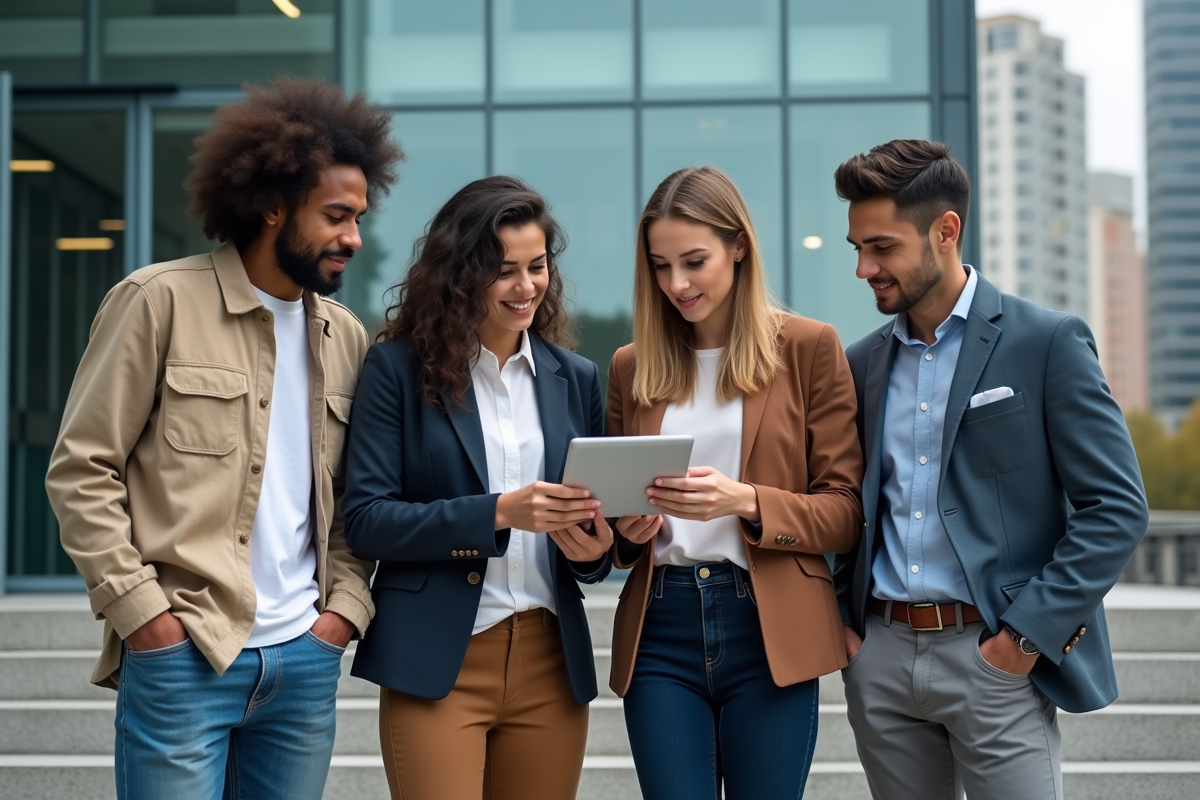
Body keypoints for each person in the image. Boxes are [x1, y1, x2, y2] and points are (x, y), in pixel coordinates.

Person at [44, 78, 403, 799]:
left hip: (303, 661)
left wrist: (342, 614)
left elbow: (351, 495)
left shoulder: (346, 337)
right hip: (185, 652)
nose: (354, 238)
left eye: (359, 218)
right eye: (336, 216)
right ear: (272, 205)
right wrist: (144, 615)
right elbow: (82, 470)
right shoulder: (158, 302)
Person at [832, 139, 1150, 800]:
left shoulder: (1046, 342)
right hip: (881, 660)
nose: (864, 267)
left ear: (945, 232)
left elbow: (1117, 507)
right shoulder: (860, 362)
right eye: (856, 248)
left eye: (882, 247)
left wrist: (1022, 642)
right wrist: (849, 632)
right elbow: (844, 501)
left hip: (995, 657)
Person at [342, 175, 612, 800]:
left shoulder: (575, 378)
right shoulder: (395, 369)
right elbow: (369, 519)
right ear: (461, 274)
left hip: (550, 656)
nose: (526, 288)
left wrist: (594, 548)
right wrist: (499, 512)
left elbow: (592, 543)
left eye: (536, 266)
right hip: (439, 657)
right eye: (504, 270)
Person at [606, 166, 864, 800]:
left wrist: (745, 501)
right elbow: (616, 527)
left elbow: (846, 513)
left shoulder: (809, 348)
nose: (678, 284)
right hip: (660, 626)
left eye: (694, 261)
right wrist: (629, 529)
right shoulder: (630, 367)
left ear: (739, 245)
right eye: (661, 266)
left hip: (769, 622)